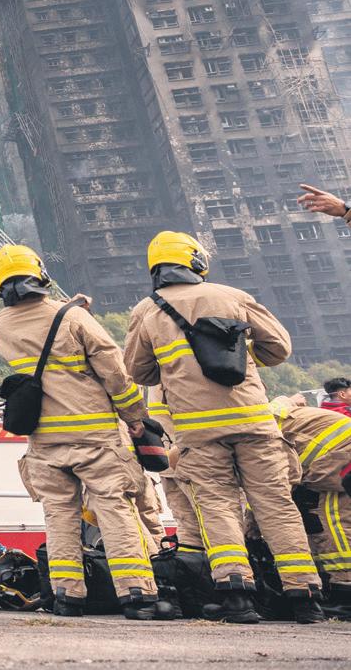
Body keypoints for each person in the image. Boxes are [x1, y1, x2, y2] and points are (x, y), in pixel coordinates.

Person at [123, 231, 324, 624]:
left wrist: (176, 368)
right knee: (277, 505)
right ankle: (305, 597)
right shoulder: (232, 295)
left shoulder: (147, 311)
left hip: (197, 431)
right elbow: (279, 347)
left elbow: (138, 371)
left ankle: (238, 598)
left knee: (217, 508)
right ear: (196, 261)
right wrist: (244, 357)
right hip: (254, 422)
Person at [0, 244, 173, 621]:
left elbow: (41, 332)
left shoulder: (0, 325)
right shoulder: (71, 318)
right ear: (40, 273)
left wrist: (69, 308)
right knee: (115, 512)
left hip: (44, 443)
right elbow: (115, 372)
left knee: (59, 518)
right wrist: (135, 416)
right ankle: (137, 594)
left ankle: (66, 595)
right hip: (95, 439)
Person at [268, 395, 351, 617]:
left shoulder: (264, 432)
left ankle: (346, 593)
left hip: (340, 457)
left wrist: (252, 528)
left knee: (333, 519)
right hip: (338, 454)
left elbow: (275, 485)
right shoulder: (278, 417)